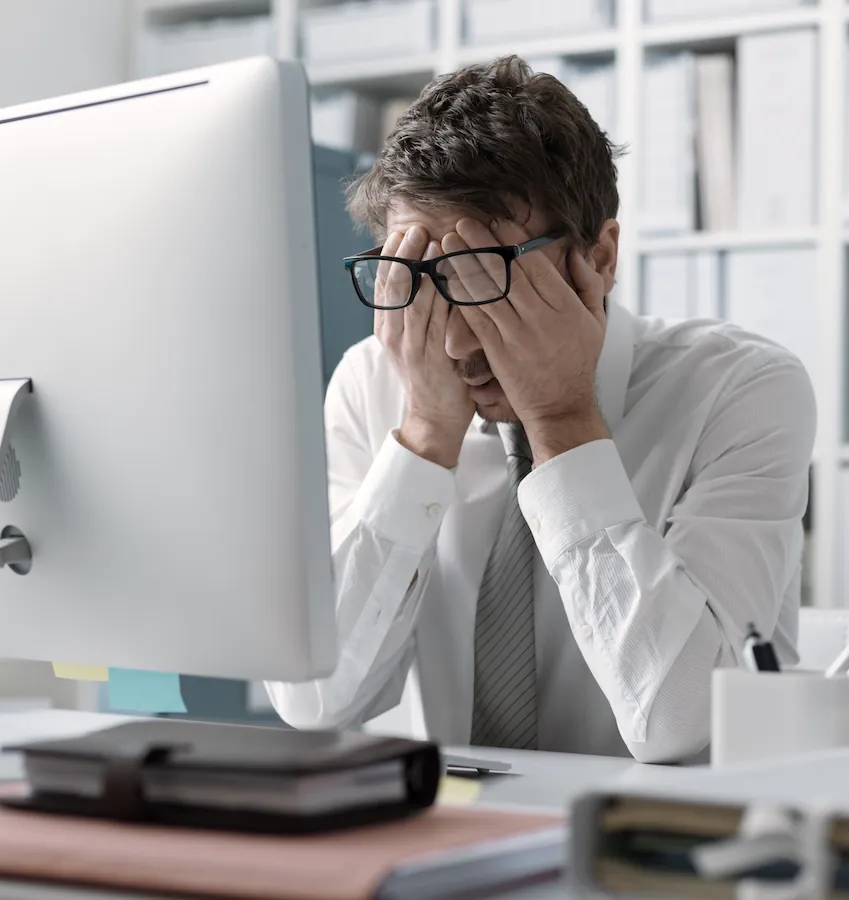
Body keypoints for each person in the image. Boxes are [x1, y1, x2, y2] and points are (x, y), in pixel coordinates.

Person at [267, 56, 815, 764]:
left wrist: (561, 420)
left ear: (601, 257)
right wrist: (425, 436)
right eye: (422, 278)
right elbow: (318, 702)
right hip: (448, 840)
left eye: (486, 277)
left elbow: (685, 723)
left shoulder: (740, 389)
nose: (457, 340)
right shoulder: (373, 384)